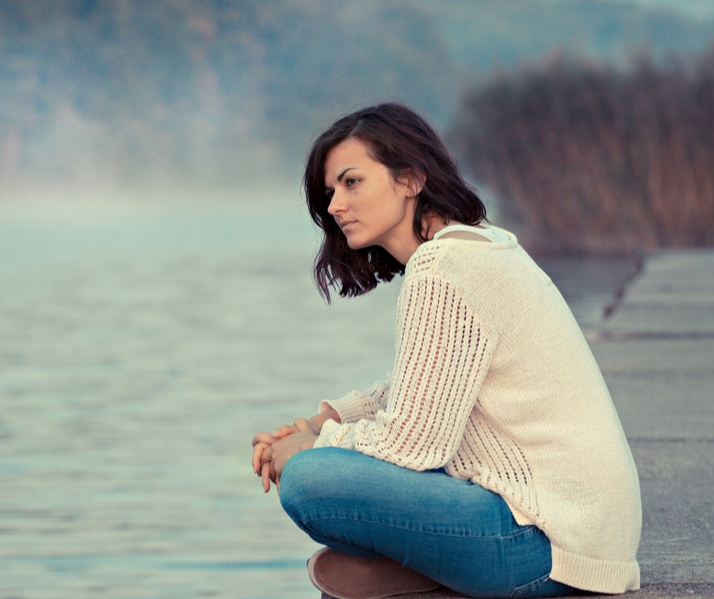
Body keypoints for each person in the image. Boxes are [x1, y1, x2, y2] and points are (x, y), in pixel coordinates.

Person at [250, 103, 641, 599]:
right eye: (330, 192)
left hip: (547, 542)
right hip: (584, 535)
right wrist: (319, 421)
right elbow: (421, 388)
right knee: (323, 463)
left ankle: (429, 571)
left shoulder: (444, 267)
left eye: (351, 182)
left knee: (309, 479)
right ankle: (428, 571)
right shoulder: (477, 246)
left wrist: (310, 447)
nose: (334, 206)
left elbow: (414, 444)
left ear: (410, 179)